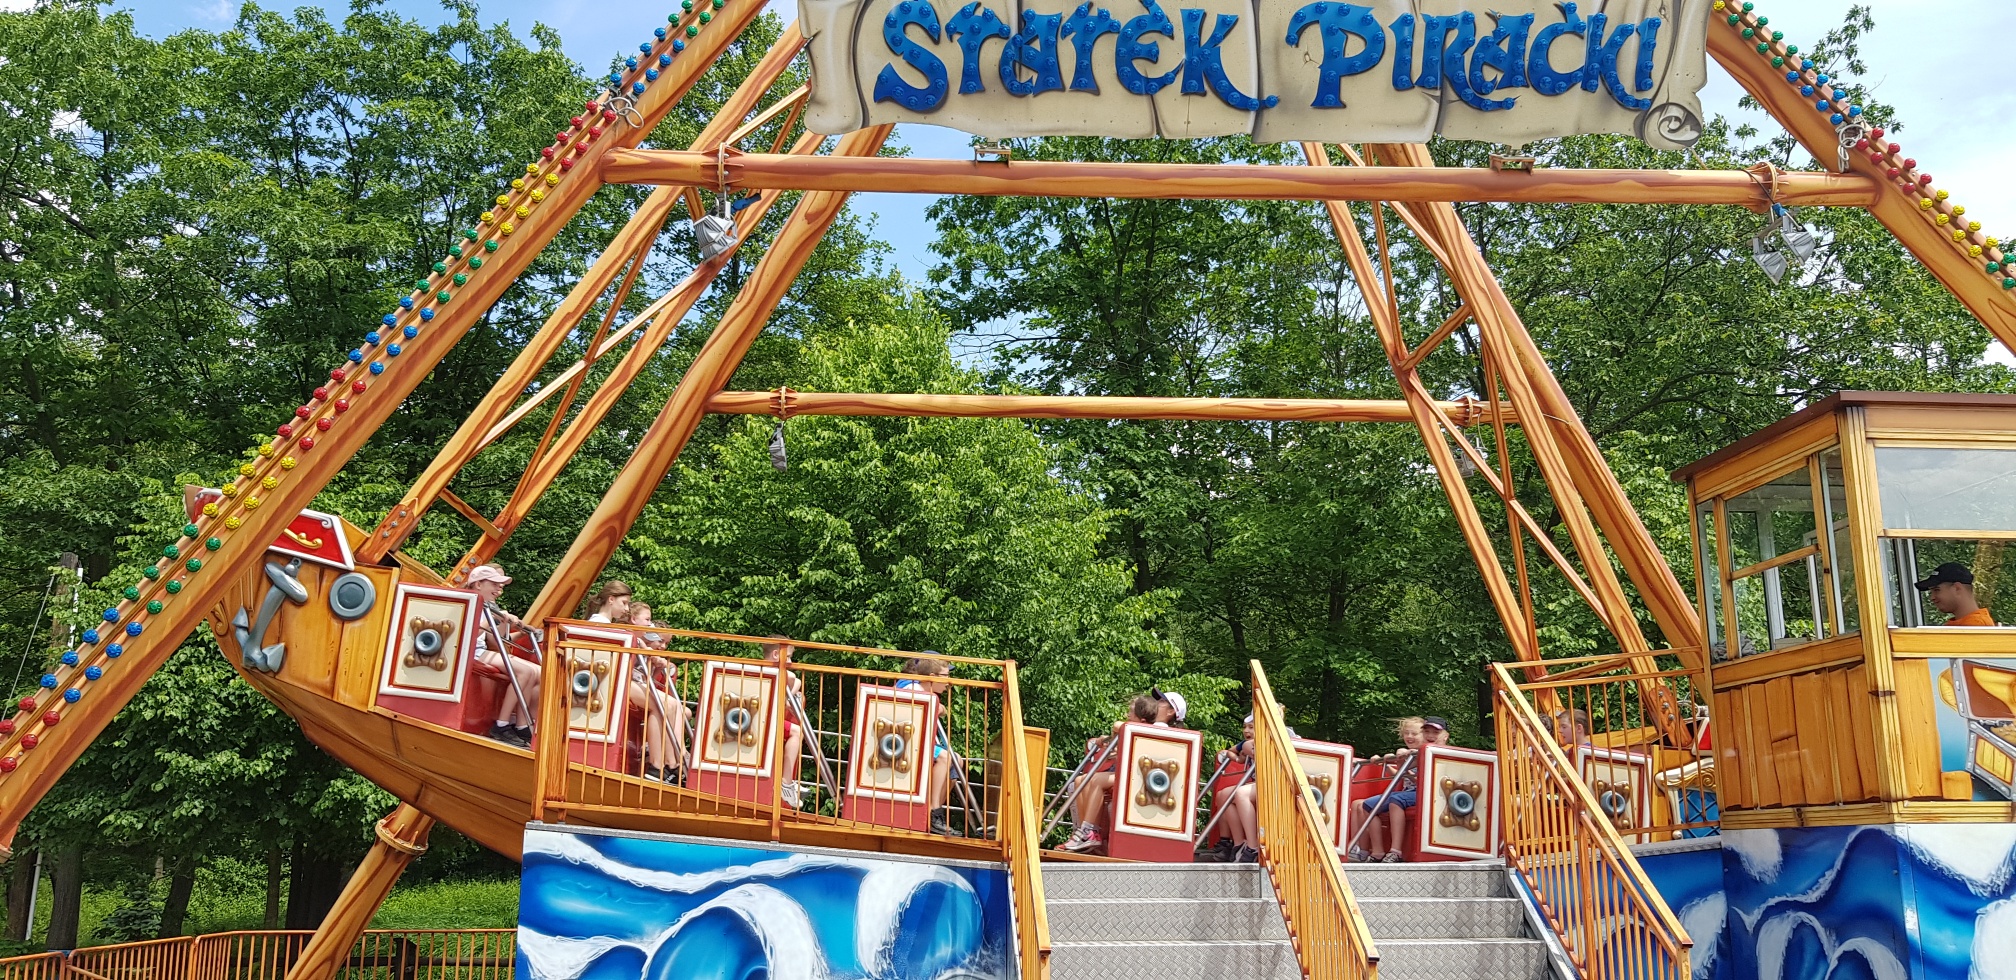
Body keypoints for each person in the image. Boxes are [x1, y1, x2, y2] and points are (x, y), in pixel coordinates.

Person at [1059, 695, 1161, 853]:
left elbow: (1118, 725)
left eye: (1131, 712)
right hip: (1129, 774)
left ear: (1141, 721)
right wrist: (1108, 742)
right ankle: (1084, 833)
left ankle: (1090, 832)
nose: (1127, 715)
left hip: (1141, 778)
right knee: (1080, 781)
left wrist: (1109, 739)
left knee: (1097, 780)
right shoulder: (1134, 731)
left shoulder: (1144, 731)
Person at [466, 565, 542, 748]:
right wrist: (496, 618)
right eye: (494, 584)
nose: (499, 589)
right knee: (524, 672)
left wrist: (513, 626)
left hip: (481, 651)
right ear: (478, 584)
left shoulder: (487, 607)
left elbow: (498, 639)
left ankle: (523, 724)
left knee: (537, 672)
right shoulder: (468, 603)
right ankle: (501, 724)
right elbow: (468, 635)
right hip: (470, 652)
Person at [896, 655, 961, 836]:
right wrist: (938, 707)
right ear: (931, 676)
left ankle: (932, 812)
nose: (949, 681)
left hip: (916, 741)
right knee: (945, 757)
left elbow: (937, 708)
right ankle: (933, 812)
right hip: (904, 743)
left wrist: (939, 707)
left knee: (957, 760)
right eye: (945, 676)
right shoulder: (911, 688)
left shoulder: (923, 691)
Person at [1350, 716, 1430, 863]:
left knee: (1395, 800)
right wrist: (1385, 764)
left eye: (1414, 733)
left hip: (1417, 793)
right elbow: (1399, 775)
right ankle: (1374, 851)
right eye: (1406, 733)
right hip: (1406, 792)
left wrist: (1404, 769)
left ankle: (1394, 851)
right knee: (1367, 805)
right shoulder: (1408, 753)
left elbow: (1422, 782)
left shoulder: (1424, 754)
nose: (1409, 736)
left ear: (1424, 735)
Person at [625, 602, 689, 783]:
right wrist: (652, 657)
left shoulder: (638, 641)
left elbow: (648, 676)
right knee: (665, 704)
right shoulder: (631, 638)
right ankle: (662, 764)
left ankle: (673, 761)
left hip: (636, 683)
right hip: (625, 682)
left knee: (674, 705)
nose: (649, 623)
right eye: (647, 619)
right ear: (633, 619)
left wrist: (656, 664)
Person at [761, 636, 809, 809]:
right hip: (763, 722)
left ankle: (787, 782)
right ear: (776, 654)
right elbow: (794, 678)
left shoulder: (767, 671)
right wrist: (791, 695)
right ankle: (786, 783)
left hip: (765, 720)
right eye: (787, 657)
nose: (790, 662)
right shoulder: (773, 671)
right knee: (796, 732)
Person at [1918, 562, 1995, 626]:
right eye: (1931, 592)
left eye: (1937, 590)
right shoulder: (1963, 624)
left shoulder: (1975, 625)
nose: (1932, 597)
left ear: (1957, 588)